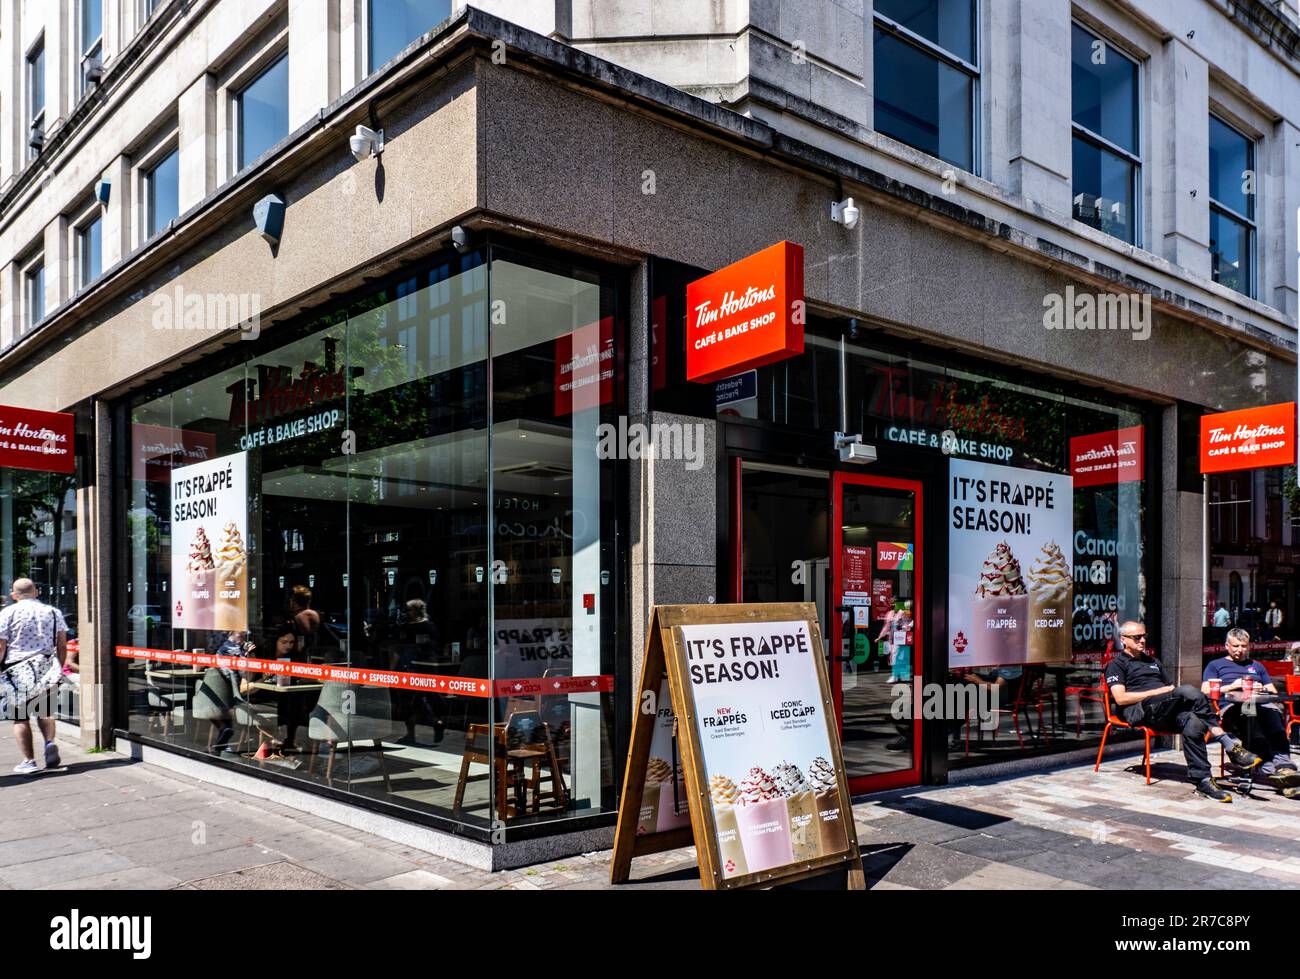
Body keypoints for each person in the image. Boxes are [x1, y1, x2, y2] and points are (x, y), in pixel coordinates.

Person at [1104, 620, 1260, 803]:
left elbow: (1169, 689)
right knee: (1188, 690)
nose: (1142, 640)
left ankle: (1202, 781)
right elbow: (1121, 698)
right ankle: (1228, 744)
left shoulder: (1153, 662)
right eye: (1136, 637)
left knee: (1193, 720)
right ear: (1123, 639)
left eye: (1144, 636)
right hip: (1139, 712)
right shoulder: (1117, 664)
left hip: (1162, 710)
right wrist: (1157, 692)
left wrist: (1165, 692)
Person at [1202, 629, 1300, 798]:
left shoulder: (1257, 666)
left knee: (1273, 712)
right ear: (1227, 646)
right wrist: (1233, 685)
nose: (1240, 649)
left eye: (1244, 646)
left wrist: (1261, 688)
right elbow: (1205, 690)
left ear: (1249, 646)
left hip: (1260, 707)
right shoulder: (1215, 665)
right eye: (1236, 646)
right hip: (1231, 710)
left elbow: (1273, 691)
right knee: (1251, 716)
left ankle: (1284, 769)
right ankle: (1280, 772)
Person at [0, 578, 67, 774]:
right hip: (46, 665)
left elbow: (1, 645)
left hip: (17, 668)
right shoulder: (53, 612)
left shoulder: (7, 613)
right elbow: (62, 644)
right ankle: (49, 743)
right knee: (44, 711)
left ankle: (29, 761)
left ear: (14, 595)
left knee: (20, 717)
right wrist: (59, 667)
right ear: (36, 592)